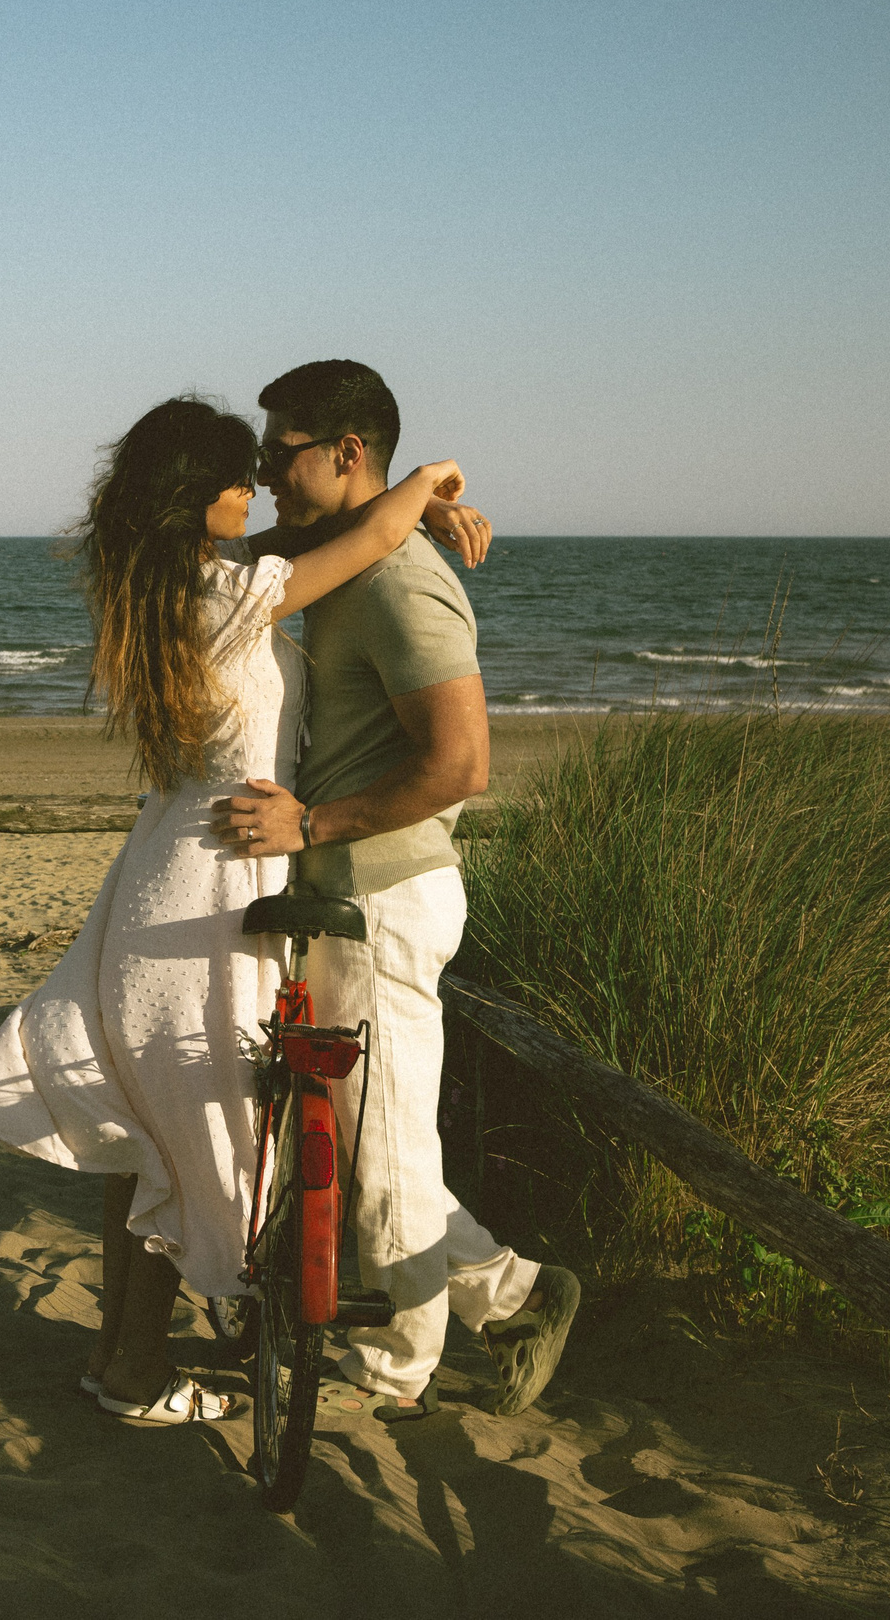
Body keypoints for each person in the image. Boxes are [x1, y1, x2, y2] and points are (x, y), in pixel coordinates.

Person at [0, 394, 481, 1426]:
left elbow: (306, 534)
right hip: (213, 888)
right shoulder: (236, 592)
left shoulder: (172, 578)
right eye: (244, 477)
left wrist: (405, 509)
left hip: (162, 871)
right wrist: (431, 485)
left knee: (146, 1143)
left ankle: (119, 1363)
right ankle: (138, 1379)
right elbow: (360, 531)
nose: (259, 491)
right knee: (190, 1143)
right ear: (203, 500)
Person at [213, 359, 578, 1423]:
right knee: (376, 1141)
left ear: (345, 452)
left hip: (383, 895)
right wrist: (421, 491)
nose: (265, 470)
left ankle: (398, 1372)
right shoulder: (350, 557)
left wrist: (310, 822)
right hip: (344, 896)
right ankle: (511, 1290)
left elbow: (461, 765)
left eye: (280, 451)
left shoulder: (401, 581)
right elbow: (256, 551)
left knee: (380, 1154)